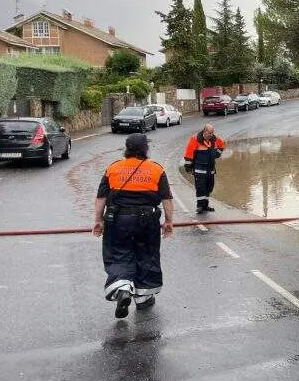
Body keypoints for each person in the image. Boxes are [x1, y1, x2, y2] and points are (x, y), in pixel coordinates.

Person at [93, 133, 174, 319]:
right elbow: (166, 199)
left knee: (119, 253)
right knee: (146, 254)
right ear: (145, 149)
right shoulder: (156, 169)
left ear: (127, 149)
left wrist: (98, 220)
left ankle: (122, 288)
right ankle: (143, 299)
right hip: (148, 219)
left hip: (118, 219)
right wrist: (168, 221)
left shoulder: (113, 168)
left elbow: (101, 198)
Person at [183, 123, 225, 213]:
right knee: (200, 188)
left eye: (212, 133)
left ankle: (205, 205)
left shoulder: (214, 139)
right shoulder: (195, 139)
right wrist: (188, 167)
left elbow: (222, 145)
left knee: (209, 188)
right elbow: (189, 154)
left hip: (210, 170)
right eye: (210, 133)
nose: (211, 135)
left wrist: (217, 154)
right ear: (205, 131)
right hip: (199, 170)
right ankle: (200, 206)